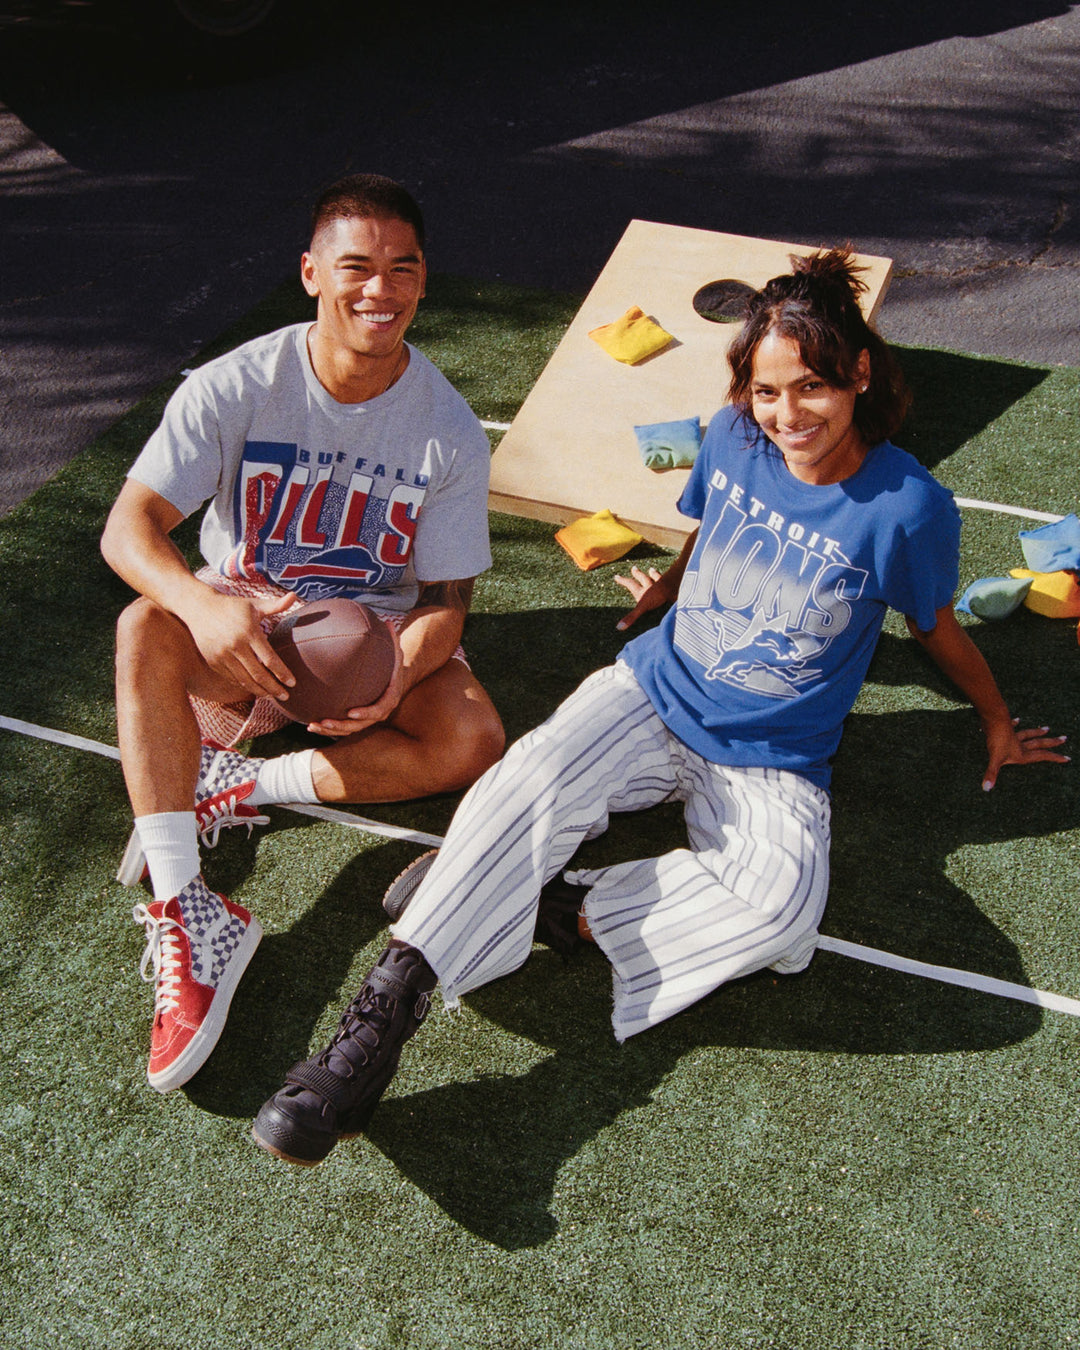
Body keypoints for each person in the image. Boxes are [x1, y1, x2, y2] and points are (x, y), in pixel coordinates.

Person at [250, 247, 1068, 1167]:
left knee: (784, 913)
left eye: (812, 389)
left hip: (773, 755)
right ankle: (374, 1028)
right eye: (767, 392)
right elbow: (708, 525)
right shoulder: (729, 439)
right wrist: (668, 591)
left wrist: (994, 715)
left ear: (859, 374)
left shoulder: (910, 506)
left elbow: (936, 626)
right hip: (653, 692)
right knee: (530, 776)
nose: (788, 415)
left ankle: (550, 906)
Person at [101, 173, 505, 1095]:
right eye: (357, 266)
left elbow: (447, 599)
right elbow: (128, 529)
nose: (381, 289)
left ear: (424, 280)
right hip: (244, 619)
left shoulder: (447, 428)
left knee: (474, 740)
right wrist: (207, 607)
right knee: (143, 627)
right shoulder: (237, 383)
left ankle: (231, 783)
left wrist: (398, 676)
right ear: (311, 273)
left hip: (370, 633)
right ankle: (189, 909)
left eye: (403, 268)